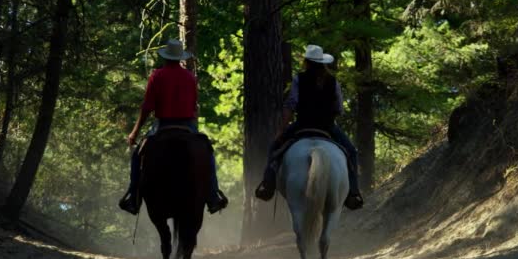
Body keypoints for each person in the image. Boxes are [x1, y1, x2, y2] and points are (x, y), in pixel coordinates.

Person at [119, 39, 228, 215]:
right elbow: (194, 106)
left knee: (137, 156)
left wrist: (134, 133)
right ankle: (213, 195)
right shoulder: (190, 77)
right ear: (179, 58)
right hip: (187, 124)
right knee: (208, 154)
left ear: (166, 57)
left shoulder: (156, 75)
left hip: (162, 124)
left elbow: (147, 107)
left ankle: (133, 197)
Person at [255, 44, 364, 210]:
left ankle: (267, 185)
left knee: (274, 148)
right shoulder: (333, 82)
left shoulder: (299, 79)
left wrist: (281, 130)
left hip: (302, 125)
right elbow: (339, 108)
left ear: (306, 62)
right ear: (322, 62)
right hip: (327, 127)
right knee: (351, 152)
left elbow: (291, 105)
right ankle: (354, 192)